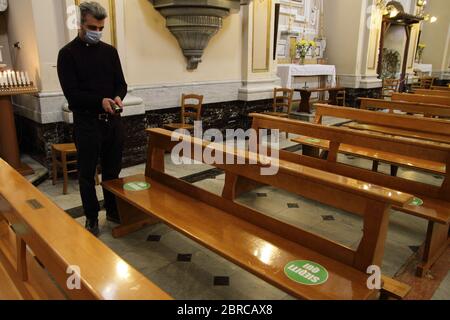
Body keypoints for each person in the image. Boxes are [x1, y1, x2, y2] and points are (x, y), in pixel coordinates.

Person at [57, 1, 127, 236]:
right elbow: (72, 95)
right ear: (79, 24)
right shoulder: (67, 54)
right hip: (87, 124)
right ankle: (91, 218)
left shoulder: (110, 52)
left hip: (112, 123)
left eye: (100, 28)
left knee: (112, 172)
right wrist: (100, 101)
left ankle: (114, 211)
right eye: (92, 27)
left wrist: (117, 96)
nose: (97, 32)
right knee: (87, 175)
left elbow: (121, 83)